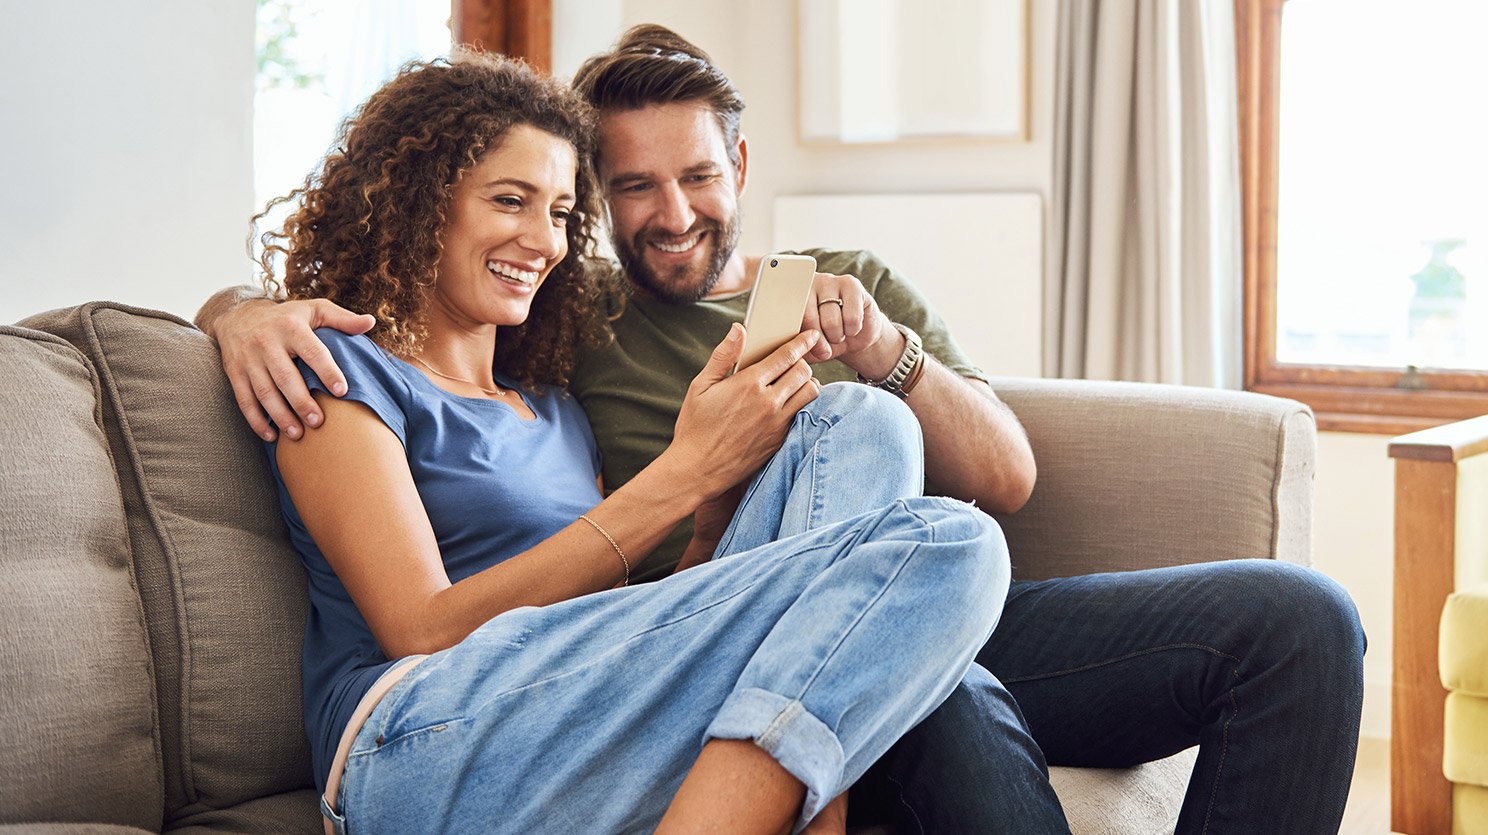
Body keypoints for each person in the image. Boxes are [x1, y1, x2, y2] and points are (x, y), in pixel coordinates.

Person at [205, 25, 1367, 834]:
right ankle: (836, 744)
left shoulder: (576, 376)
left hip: (718, 646)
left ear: (740, 168)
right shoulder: (477, 343)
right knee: (933, 590)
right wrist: (239, 313)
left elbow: (998, 474)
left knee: (1294, 615)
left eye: (557, 210)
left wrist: (869, 357)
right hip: (498, 708)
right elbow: (418, 609)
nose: (658, 216)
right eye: (613, 194)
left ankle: (852, 666)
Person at [250, 51, 1011, 834]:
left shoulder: (553, 408)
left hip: (576, 721)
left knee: (863, 420)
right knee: (952, 543)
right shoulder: (336, 370)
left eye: (558, 212)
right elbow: (421, 628)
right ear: (422, 203)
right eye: (510, 200)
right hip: (417, 738)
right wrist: (684, 472)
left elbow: (627, 645)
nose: (541, 241)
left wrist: (711, 524)